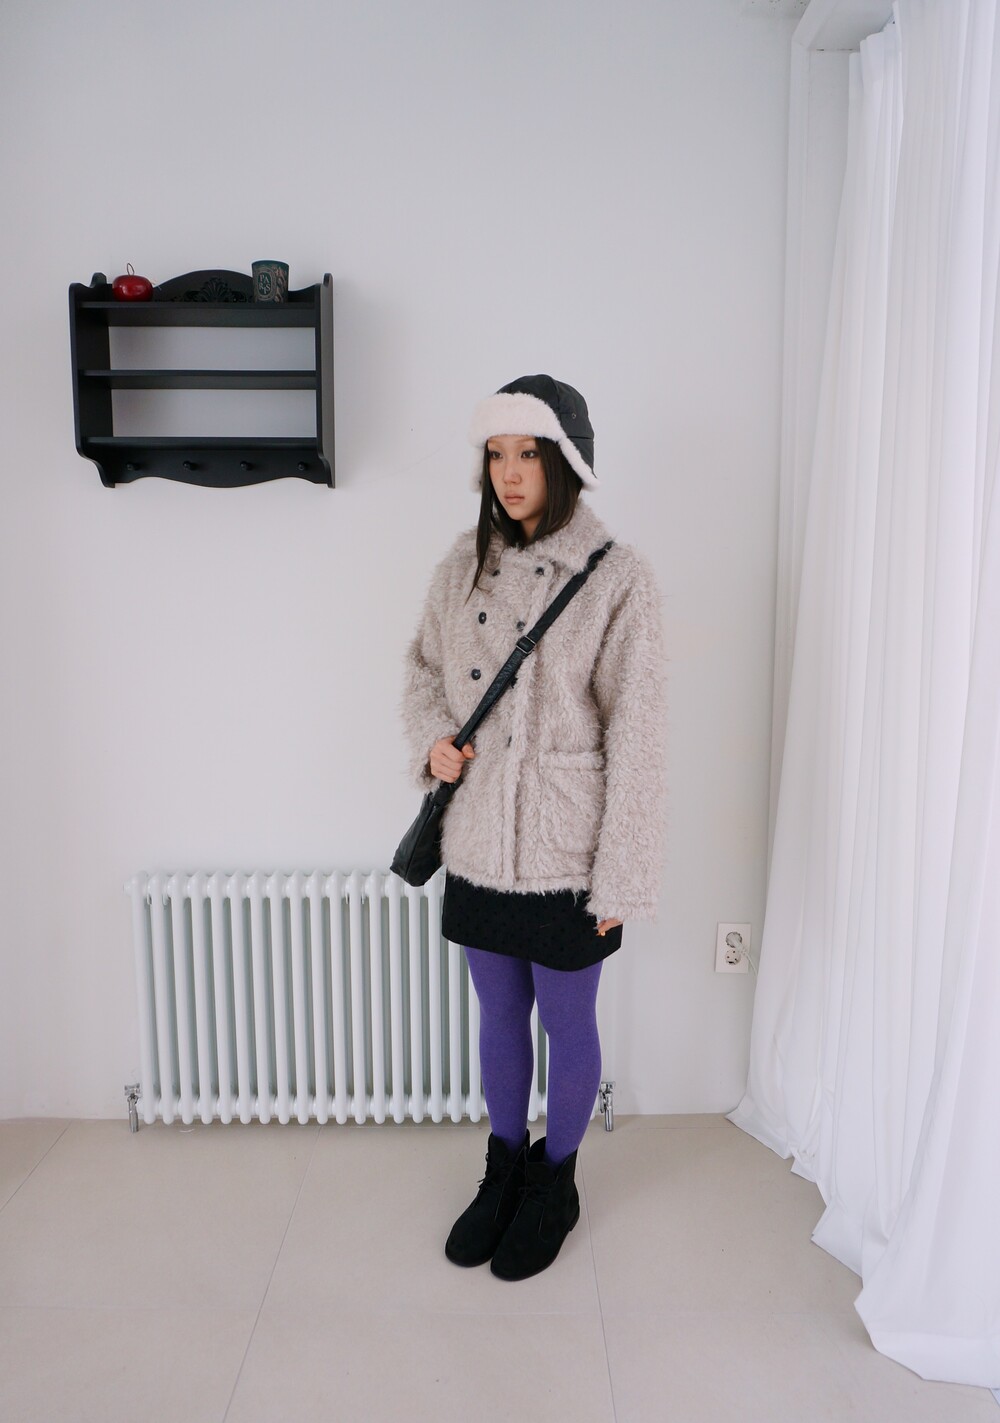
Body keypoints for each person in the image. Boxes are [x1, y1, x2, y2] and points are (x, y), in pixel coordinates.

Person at [400, 373, 666, 1281]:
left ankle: (556, 1180)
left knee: (567, 1018)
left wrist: (623, 876)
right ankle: (503, 1167)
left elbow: (639, 736)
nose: (509, 474)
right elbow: (422, 670)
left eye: (528, 454)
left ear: (566, 463)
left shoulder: (617, 578)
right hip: (478, 841)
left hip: (567, 851)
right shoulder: (459, 567)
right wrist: (432, 740)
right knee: (498, 1013)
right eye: (496, 454)